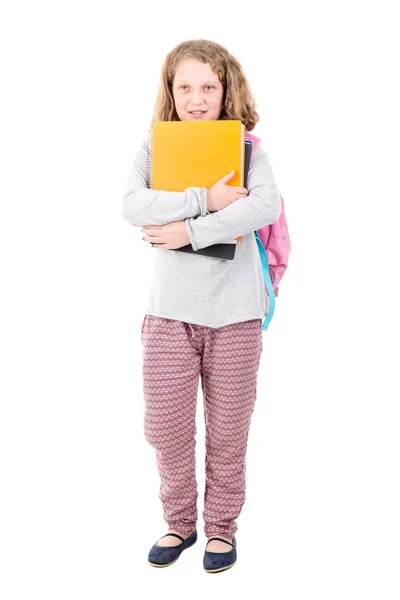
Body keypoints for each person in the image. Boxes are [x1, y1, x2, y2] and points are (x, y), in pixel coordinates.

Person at [122, 39, 281, 572]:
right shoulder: (153, 147)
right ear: (170, 92)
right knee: (165, 427)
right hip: (168, 314)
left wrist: (186, 229)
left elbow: (263, 207)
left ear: (225, 89)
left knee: (229, 430)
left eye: (208, 87)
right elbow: (132, 204)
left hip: (234, 315)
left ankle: (221, 529)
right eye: (185, 86)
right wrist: (205, 199)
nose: (196, 98)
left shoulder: (249, 151)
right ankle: (179, 522)